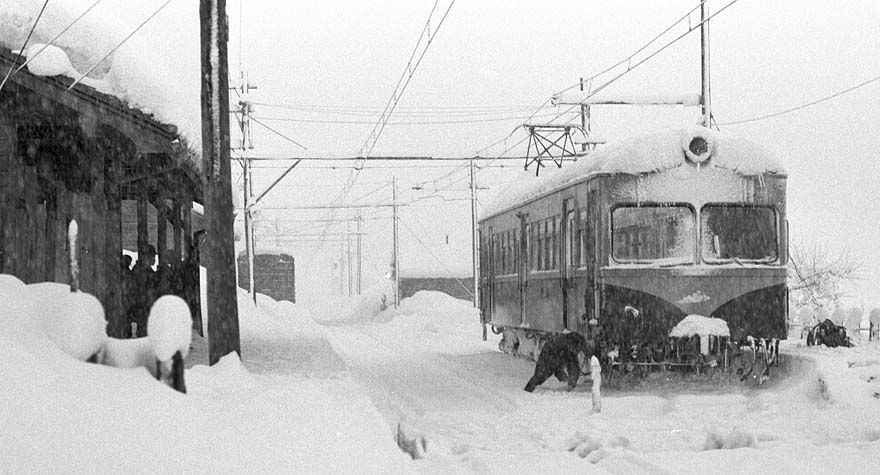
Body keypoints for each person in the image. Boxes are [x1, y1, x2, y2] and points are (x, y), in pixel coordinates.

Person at [130, 245, 157, 337]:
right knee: (144, 329)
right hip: (143, 306)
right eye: (153, 256)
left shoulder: (142, 269)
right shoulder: (143, 271)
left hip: (144, 306)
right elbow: (144, 290)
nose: (154, 259)